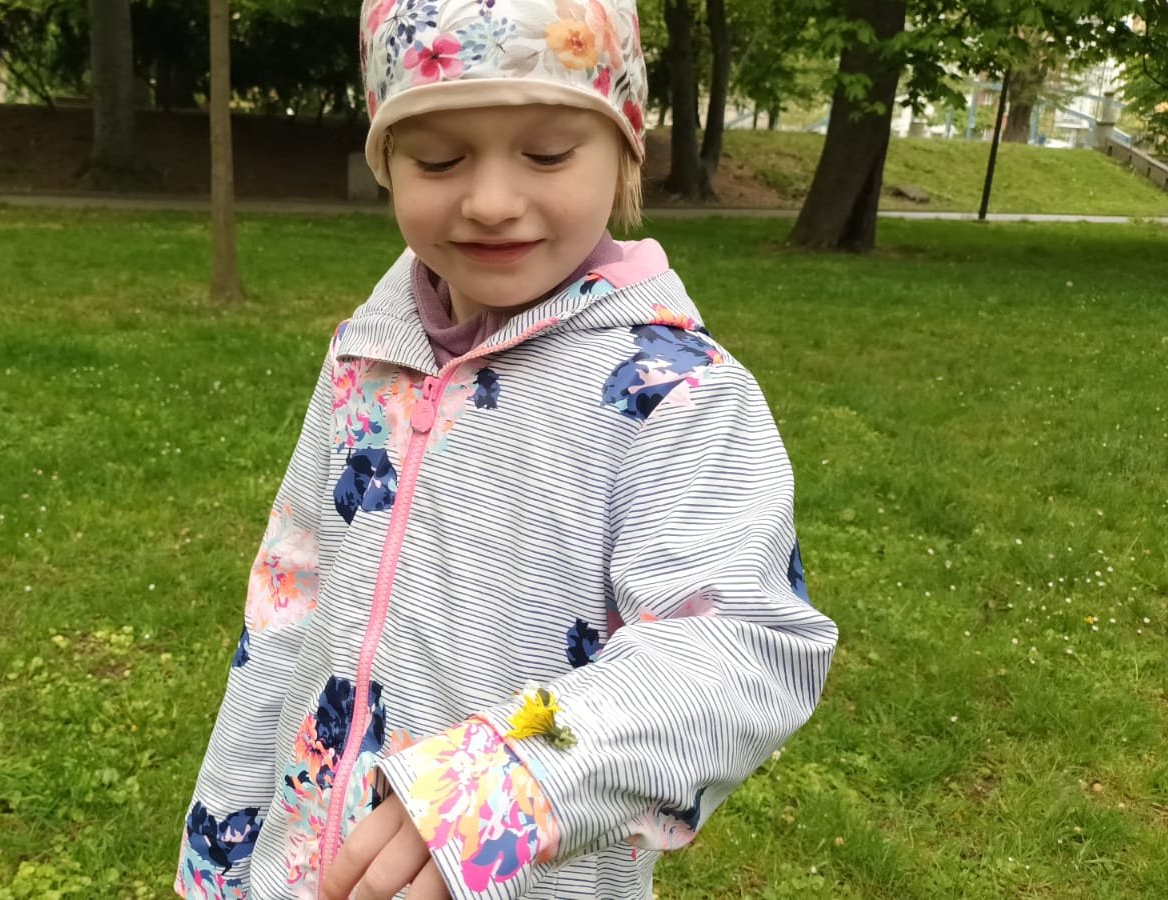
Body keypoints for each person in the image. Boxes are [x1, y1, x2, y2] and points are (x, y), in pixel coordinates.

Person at [176, 0, 837, 897]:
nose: (490, 202)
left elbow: (738, 651)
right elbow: (288, 605)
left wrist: (505, 785)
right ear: (386, 159)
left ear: (625, 151)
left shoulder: (679, 394)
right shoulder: (366, 358)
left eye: (549, 153)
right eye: (438, 159)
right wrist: (222, 852)